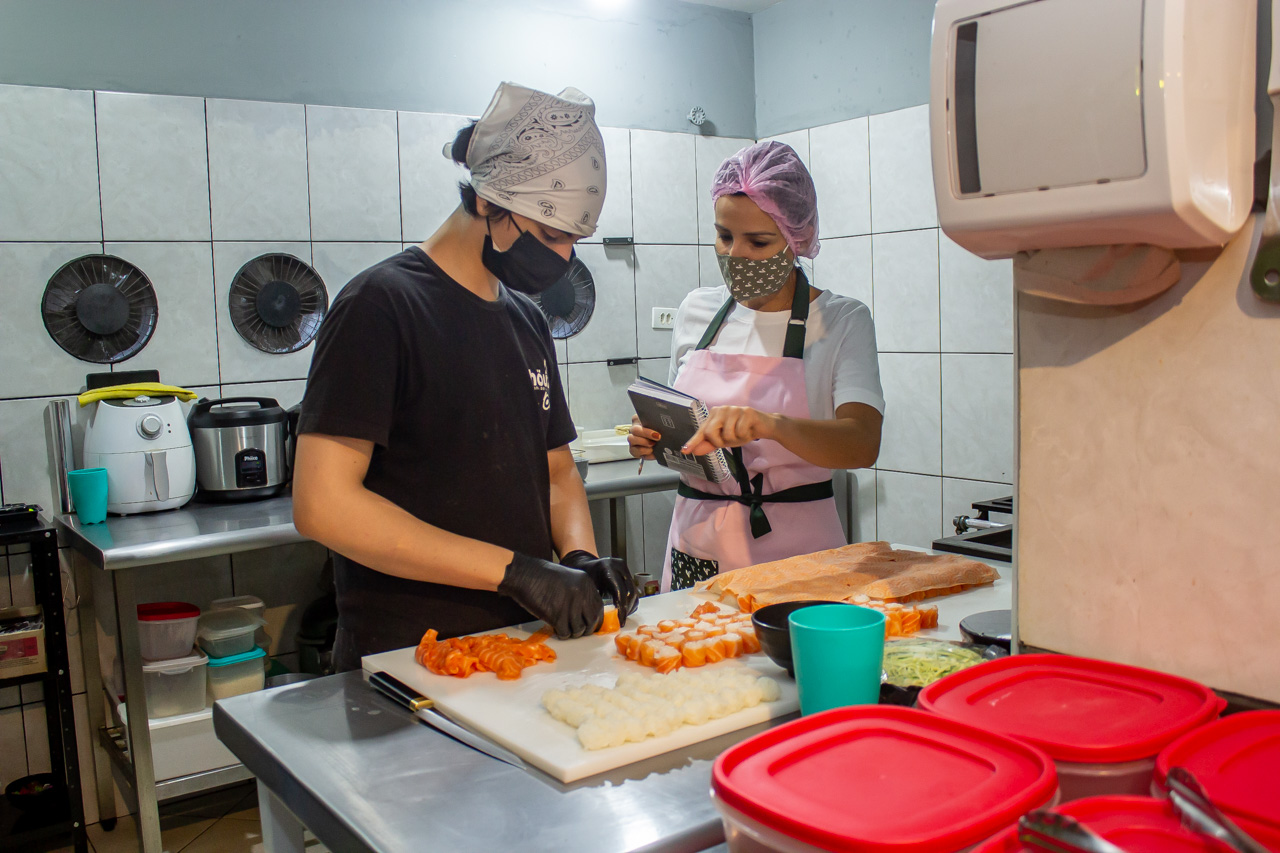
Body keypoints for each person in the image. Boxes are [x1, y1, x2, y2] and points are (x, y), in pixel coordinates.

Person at [293, 82, 639, 672]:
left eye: (573, 242)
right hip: (410, 655)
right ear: (488, 202)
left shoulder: (526, 320)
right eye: (551, 235)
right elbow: (324, 505)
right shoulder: (381, 307)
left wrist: (577, 557)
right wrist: (514, 570)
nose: (562, 260)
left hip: (521, 648)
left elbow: (556, 473)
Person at [628, 140, 885, 591]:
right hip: (697, 545)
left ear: (796, 239)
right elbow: (689, 433)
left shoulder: (841, 321)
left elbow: (862, 444)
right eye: (724, 236)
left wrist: (770, 424)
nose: (735, 255)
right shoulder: (695, 311)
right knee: (693, 655)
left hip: (798, 553)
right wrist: (659, 438)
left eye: (758, 241)